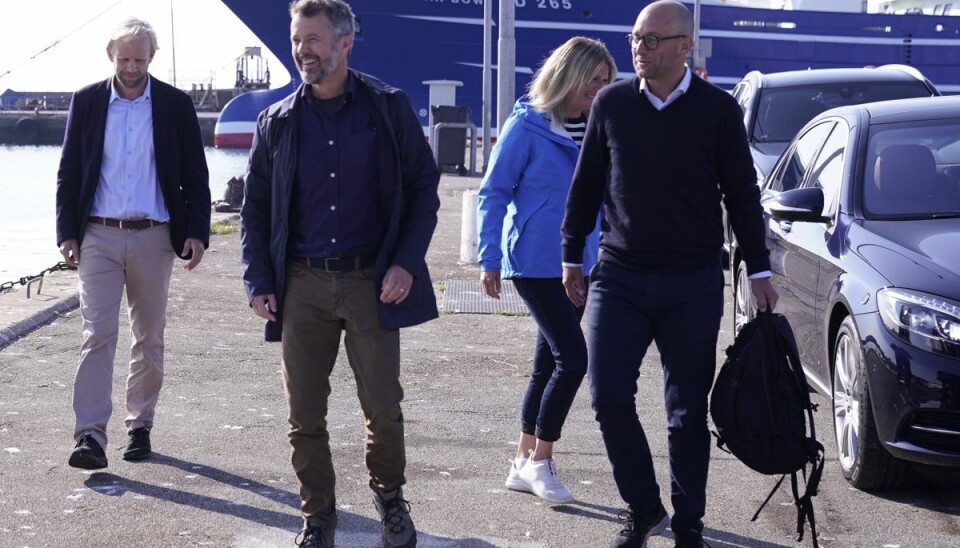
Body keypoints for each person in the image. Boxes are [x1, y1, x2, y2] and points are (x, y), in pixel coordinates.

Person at [559, 2, 779, 547]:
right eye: (636, 38)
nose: (641, 48)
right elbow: (586, 186)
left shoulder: (718, 111)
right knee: (607, 397)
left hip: (692, 282)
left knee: (685, 413)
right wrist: (570, 256)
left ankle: (688, 527)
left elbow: (742, 195)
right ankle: (643, 508)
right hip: (620, 276)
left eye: (654, 40)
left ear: (686, 46)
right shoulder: (611, 104)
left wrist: (759, 268)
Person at [239, 1, 440, 546]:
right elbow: (254, 208)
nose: (302, 49)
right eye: (297, 38)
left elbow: (424, 189)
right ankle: (318, 517)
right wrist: (257, 279)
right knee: (304, 413)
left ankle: (391, 500)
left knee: (384, 408)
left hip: (371, 281)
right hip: (300, 285)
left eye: (313, 39)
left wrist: (405, 262)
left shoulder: (387, 108)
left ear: (345, 44)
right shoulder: (276, 121)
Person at [55, 17, 210, 470]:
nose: (130, 67)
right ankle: (90, 437)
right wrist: (66, 232)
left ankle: (139, 425)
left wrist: (197, 233)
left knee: (149, 337)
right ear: (110, 56)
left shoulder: (174, 104)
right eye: (123, 59)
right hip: (98, 235)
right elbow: (69, 172)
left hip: (155, 236)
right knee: (97, 335)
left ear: (151, 58)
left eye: (139, 59)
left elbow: (195, 176)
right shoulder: (86, 102)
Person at [476, 36, 615, 505]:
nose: (598, 89)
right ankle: (541, 462)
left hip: (582, 261)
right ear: (568, 76)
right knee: (572, 360)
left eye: (605, 81)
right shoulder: (528, 125)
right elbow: (493, 192)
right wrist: (488, 257)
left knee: (546, 363)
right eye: (591, 80)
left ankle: (521, 460)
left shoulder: (598, 125)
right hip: (535, 262)